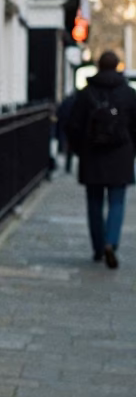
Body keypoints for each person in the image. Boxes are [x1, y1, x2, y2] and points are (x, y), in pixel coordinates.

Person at [67, 50, 136, 268]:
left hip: (92, 155)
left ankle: (98, 247)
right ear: (117, 66)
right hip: (121, 155)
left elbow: (73, 125)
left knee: (94, 203)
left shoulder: (86, 93)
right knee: (117, 202)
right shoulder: (128, 94)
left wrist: (80, 150)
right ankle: (111, 242)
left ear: (98, 66)